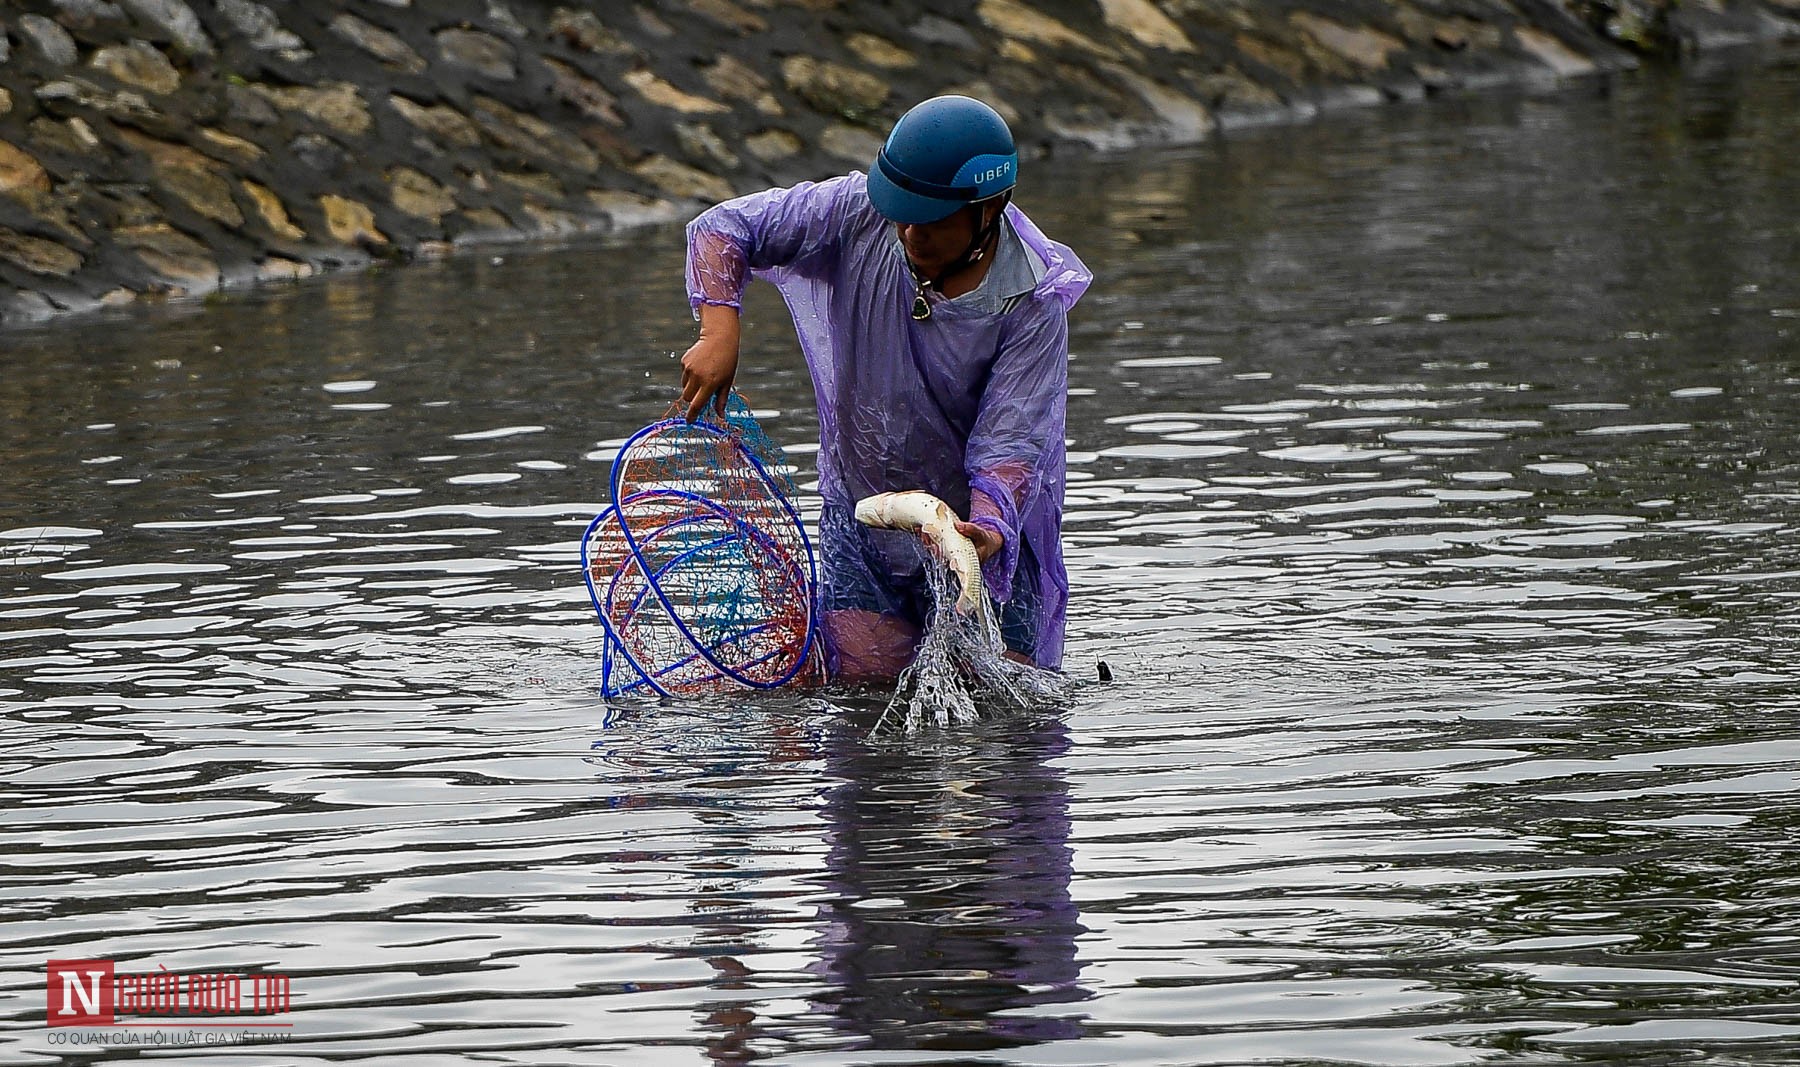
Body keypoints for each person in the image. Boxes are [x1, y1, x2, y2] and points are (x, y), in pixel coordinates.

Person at [677, 95, 1091, 682]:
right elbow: (724, 227)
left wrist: (988, 529)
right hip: (863, 511)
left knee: (1004, 721)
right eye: (903, 212)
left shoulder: (1032, 301)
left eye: (933, 220)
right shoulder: (859, 212)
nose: (911, 233)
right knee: (862, 701)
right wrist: (719, 327)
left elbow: (1012, 442)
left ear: (989, 207)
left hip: (975, 533)